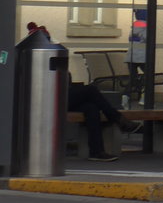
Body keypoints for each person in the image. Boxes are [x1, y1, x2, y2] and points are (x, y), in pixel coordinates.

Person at [26, 22, 141, 162]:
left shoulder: (52, 55)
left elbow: (64, 80)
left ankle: (96, 151)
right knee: (91, 90)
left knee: (91, 108)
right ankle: (117, 118)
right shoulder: (31, 58)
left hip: (59, 97)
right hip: (47, 100)